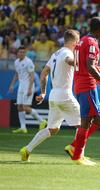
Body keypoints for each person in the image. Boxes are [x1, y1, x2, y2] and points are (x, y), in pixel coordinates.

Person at [19, 29, 81, 162]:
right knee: (83, 124)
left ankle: (27, 150)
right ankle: (77, 153)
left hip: (53, 96)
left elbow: (44, 73)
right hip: (65, 95)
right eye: (78, 41)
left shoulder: (55, 54)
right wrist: (82, 63)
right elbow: (69, 60)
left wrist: (43, 92)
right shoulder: (67, 52)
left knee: (52, 129)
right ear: (75, 42)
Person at [65, 17, 100, 165]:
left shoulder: (81, 41)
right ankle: (77, 155)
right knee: (86, 121)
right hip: (86, 86)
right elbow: (89, 67)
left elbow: (82, 65)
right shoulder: (91, 42)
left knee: (99, 119)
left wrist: (95, 75)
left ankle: (75, 147)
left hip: (83, 84)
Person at [8, 46, 47, 134]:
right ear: (17, 53)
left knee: (25, 107)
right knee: (19, 107)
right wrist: (12, 85)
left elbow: (32, 76)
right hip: (21, 86)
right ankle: (23, 127)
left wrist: (30, 89)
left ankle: (42, 121)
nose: (21, 53)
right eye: (20, 52)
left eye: (23, 52)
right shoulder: (16, 62)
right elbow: (17, 74)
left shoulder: (28, 62)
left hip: (28, 86)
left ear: (25, 53)